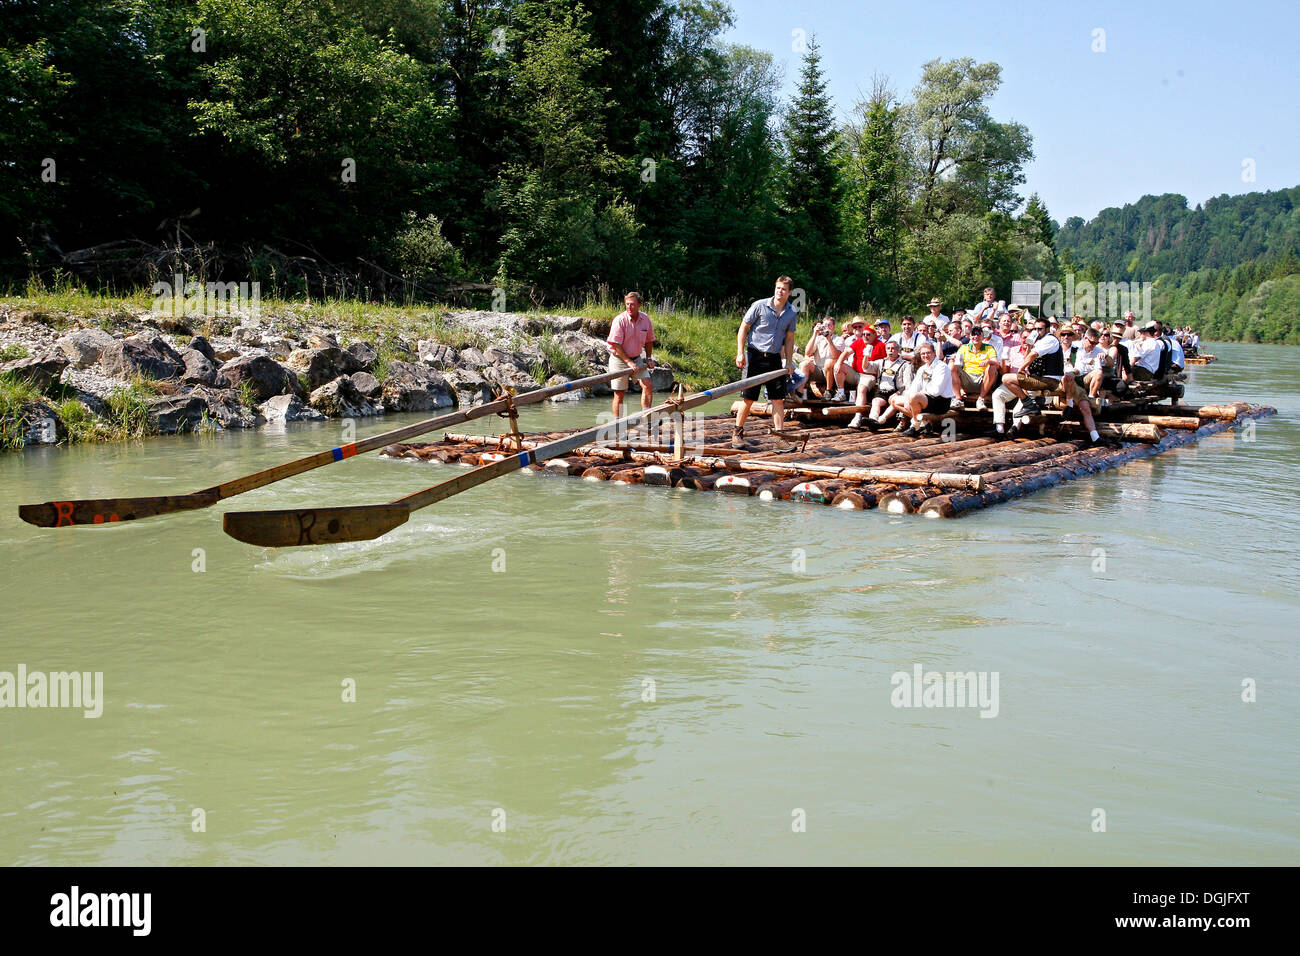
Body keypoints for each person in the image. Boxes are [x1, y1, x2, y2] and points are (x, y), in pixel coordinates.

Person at [998, 315, 1102, 443]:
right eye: (1063, 334)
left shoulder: (1075, 349)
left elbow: (1079, 368)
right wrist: (1028, 348)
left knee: (1084, 405)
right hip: (1050, 385)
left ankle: (1094, 435)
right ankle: (1014, 428)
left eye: (1069, 334)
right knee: (1024, 396)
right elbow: (1032, 358)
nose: (1066, 337)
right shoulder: (1046, 343)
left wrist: (1071, 372)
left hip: (1069, 382)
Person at [733, 276, 799, 449]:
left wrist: (789, 362)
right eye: (778, 288)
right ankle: (737, 433)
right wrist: (740, 353)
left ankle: (779, 439)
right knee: (748, 398)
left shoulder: (791, 312)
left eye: (784, 289)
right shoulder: (759, 306)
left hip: (774, 358)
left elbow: (790, 338)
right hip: (754, 355)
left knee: (778, 399)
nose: (780, 291)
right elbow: (743, 327)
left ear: (790, 292)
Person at [606, 291, 655, 418]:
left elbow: (649, 340)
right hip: (619, 359)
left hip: (637, 358)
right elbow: (616, 344)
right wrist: (628, 362)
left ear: (639, 305)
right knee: (619, 393)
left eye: (632, 304)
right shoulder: (620, 320)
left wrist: (648, 358)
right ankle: (618, 423)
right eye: (627, 304)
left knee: (648, 384)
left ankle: (646, 416)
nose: (629, 307)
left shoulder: (645, 319)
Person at [891, 341, 955, 436]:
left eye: (928, 353)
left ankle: (915, 426)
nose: (926, 355)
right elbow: (914, 387)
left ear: (934, 353)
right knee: (894, 400)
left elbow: (936, 391)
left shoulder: (942, 367)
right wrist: (909, 398)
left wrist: (916, 396)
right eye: (923, 353)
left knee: (914, 397)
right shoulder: (922, 368)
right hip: (926, 398)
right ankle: (924, 424)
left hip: (941, 402)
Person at [848, 339, 913, 428]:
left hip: (897, 392)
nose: (890, 350)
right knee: (876, 401)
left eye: (893, 348)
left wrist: (897, 393)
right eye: (888, 348)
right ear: (886, 350)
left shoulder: (906, 365)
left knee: (894, 402)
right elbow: (866, 368)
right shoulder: (881, 362)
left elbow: (907, 385)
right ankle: (873, 420)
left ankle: (881, 420)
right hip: (882, 392)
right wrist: (866, 356)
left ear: (898, 350)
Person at [831, 317, 884, 401]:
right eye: (864, 334)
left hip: (869, 375)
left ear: (874, 335)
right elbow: (847, 352)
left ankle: (858, 413)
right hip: (855, 373)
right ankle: (841, 393)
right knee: (838, 366)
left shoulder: (881, 345)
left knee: (861, 388)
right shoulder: (858, 341)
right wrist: (838, 363)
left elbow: (885, 363)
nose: (865, 336)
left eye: (868, 334)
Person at [949, 325, 999, 411]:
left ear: (983, 336)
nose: (975, 337)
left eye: (978, 334)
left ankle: (980, 399)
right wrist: (955, 358)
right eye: (973, 334)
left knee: (992, 367)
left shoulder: (989, 348)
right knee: (951, 364)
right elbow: (957, 362)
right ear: (970, 336)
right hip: (967, 379)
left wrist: (988, 361)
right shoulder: (964, 347)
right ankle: (958, 399)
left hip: (982, 379)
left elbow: (997, 363)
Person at [797, 315, 841, 399]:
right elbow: (807, 352)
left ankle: (829, 391)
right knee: (804, 364)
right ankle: (799, 392)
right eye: (825, 325)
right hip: (819, 370)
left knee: (829, 362)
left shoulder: (838, 339)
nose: (827, 328)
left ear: (833, 327)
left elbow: (836, 355)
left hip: (832, 372)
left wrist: (829, 339)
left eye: (829, 325)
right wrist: (815, 334)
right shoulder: (818, 339)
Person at [1073, 327, 1108, 403]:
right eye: (1092, 342)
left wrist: (1105, 355)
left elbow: (1107, 364)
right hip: (1075, 376)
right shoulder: (1075, 347)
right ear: (1085, 338)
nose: (1093, 345)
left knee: (1099, 372)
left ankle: (1091, 397)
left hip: (1087, 378)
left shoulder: (1098, 351)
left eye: (1096, 343)